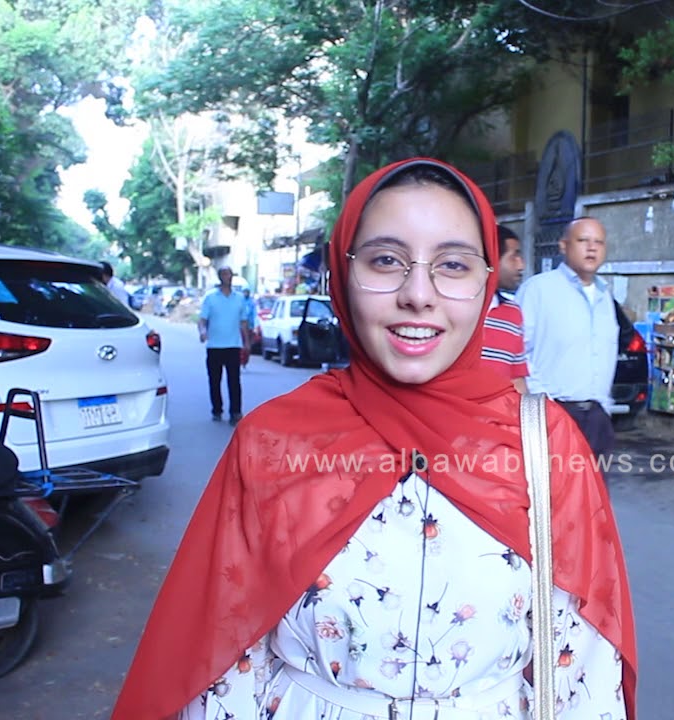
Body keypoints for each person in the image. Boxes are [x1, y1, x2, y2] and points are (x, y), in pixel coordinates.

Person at [112, 158, 637, 720]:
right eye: (386, 260)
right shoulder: (274, 441)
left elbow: (582, 666)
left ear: (485, 282)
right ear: (342, 274)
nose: (418, 294)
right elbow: (225, 660)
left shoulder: (545, 442)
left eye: (453, 265)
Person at [516, 216, 618, 458]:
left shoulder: (605, 295)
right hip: (552, 412)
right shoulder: (538, 290)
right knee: (554, 491)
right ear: (564, 246)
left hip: (597, 416)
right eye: (583, 240)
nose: (592, 248)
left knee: (594, 492)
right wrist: (543, 402)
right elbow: (517, 350)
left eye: (599, 242)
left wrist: (604, 406)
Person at [198, 267, 252, 425]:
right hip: (214, 346)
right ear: (219, 277)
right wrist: (202, 332)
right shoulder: (210, 298)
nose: (226, 277)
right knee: (215, 380)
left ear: (232, 277)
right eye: (223, 274)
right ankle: (217, 410)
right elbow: (202, 320)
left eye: (229, 274)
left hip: (233, 345)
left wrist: (247, 342)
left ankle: (235, 412)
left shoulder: (239, 298)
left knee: (234, 381)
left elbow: (243, 322)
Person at [480, 224, 530, 393]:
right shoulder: (453, 308)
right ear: (492, 258)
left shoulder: (512, 314)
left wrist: (528, 418)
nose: (521, 265)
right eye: (514, 256)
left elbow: (517, 380)